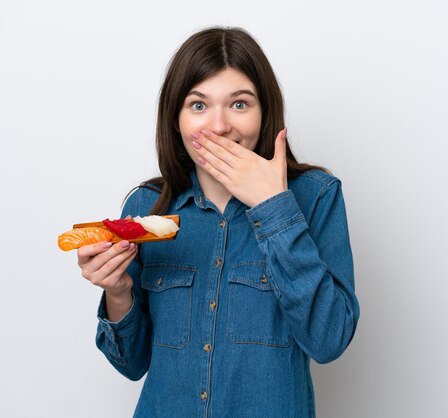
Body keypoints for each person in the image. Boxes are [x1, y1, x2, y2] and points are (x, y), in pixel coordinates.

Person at [77, 26, 360, 417]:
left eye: (239, 104)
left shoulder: (316, 197)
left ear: (266, 112)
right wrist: (119, 291)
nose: (219, 125)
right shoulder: (146, 207)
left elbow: (330, 340)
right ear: (175, 118)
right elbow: (131, 365)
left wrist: (273, 207)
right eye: (198, 105)